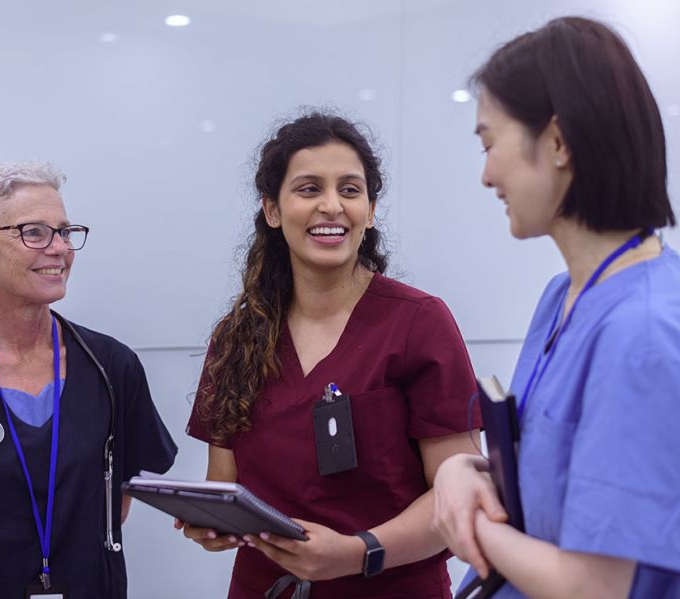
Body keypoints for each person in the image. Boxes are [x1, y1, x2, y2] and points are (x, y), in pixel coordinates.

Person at [432, 16, 680, 598]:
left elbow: (596, 587)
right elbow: (557, 479)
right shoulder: (566, 297)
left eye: (490, 145)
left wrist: (472, 526)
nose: (486, 176)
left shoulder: (643, 334)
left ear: (558, 142)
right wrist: (462, 472)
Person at [179, 112, 480, 598]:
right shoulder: (237, 338)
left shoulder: (419, 322)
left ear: (371, 209)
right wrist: (212, 523)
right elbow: (225, 483)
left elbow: (460, 496)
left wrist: (357, 551)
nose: (331, 206)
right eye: (308, 188)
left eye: (350, 189)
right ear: (272, 211)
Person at [0, 161, 178, 598]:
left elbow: (114, 503)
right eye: (35, 232)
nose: (60, 248)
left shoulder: (112, 367)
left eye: (64, 231)